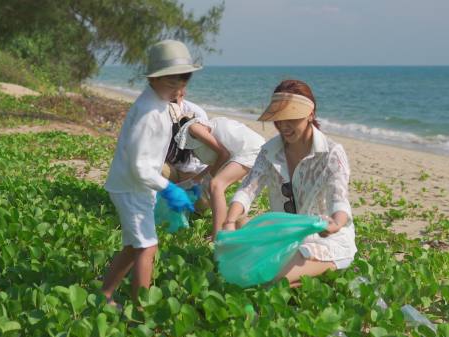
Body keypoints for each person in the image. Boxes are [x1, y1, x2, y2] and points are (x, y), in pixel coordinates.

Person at [222, 79, 356, 286]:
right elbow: (248, 190)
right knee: (241, 223)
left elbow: (338, 198)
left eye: (291, 117)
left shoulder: (332, 153)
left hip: (322, 239)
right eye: (278, 119)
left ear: (310, 114)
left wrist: (336, 224)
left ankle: (316, 273)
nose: (283, 125)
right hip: (285, 236)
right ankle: (303, 276)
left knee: (268, 277)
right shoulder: (270, 151)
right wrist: (229, 222)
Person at [101, 40, 201, 305]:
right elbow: (140, 165)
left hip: (136, 186)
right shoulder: (149, 113)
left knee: (135, 245)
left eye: (183, 83)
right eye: (171, 84)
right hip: (131, 186)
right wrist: (168, 187)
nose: (178, 89)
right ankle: (140, 310)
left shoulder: (158, 101)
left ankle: (106, 295)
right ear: (153, 79)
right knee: (147, 246)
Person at [166, 115, 265, 238]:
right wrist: (197, 179)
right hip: (247, 150)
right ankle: (225, 228)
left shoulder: (193, 128)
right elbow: (218, 160)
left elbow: (223, 154)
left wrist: (209, 177)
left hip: (251, 149)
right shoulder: (195, 130)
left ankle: (217, 235)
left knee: (215, 185)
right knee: (214, 187)